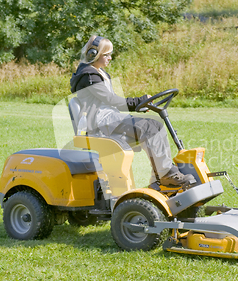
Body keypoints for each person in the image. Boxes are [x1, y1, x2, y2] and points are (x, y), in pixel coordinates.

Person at [70, 35, 195, 188]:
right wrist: (138, 101)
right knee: (151, 127)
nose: (110, 57)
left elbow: (111, 102)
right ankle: (166, 175)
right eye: (106, 54)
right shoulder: (89, 76)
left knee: (154, 126)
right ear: (93, 55)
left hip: (109, 118)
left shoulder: (97, 72)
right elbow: (111, 100)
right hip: (100, 123)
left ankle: (160, 177)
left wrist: (141, 104)